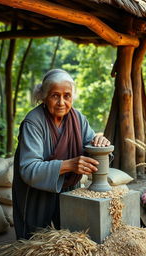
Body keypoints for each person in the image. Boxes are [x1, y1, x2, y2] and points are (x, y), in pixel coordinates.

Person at [12, 69, 110, 239]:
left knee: (68, 238)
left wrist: (100, 143)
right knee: (38, 242)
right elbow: (28, 169)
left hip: (69, 192)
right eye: (55, 96)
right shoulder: (33, 122)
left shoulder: (78, 119)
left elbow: (91, 148)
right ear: (43, 96)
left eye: (67, 95)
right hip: (37, 194)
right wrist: (69, 165)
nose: (61, 102)